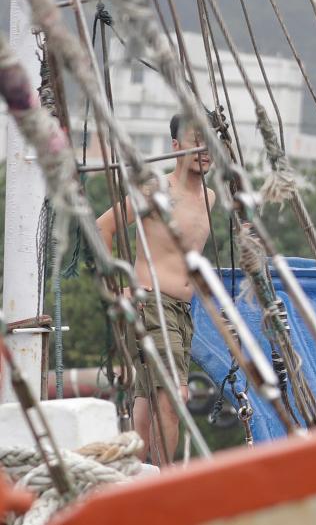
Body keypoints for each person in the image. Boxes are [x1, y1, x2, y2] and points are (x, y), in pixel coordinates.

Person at [96, 114, 214, 462]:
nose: (204, 150)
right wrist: (119, 288)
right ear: (176, 146)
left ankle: (134, 481)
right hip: (153, 306)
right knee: (174, 398)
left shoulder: (210, 197)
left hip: (182, 313)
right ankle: (167, 485)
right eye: (196, 140)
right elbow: (104, 226)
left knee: (147, 401)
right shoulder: (156, 190)